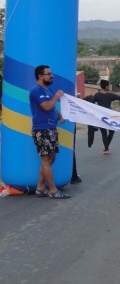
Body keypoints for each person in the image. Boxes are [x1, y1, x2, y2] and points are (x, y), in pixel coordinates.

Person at [29, 65, 70, 199]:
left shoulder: (48, 89)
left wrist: (59, 115)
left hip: (51, 128)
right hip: (42, 129)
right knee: (46, 158)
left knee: (50, 158)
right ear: (40, 76)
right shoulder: (36, 90)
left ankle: (40, 187)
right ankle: (52, 190)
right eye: (48, 74)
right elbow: (46, 106)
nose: (51, 76)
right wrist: (57, 96)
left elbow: (52, 108)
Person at [93, 79, 120, 154]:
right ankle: (106, 147)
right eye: (109, 85)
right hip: (109, 116)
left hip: (100, 116)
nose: (109, 87)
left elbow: (91, 102)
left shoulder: (97, 95)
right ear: (106, 86)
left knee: (103, 133)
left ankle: (106, 148)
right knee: (111, 131)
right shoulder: (110, 95)